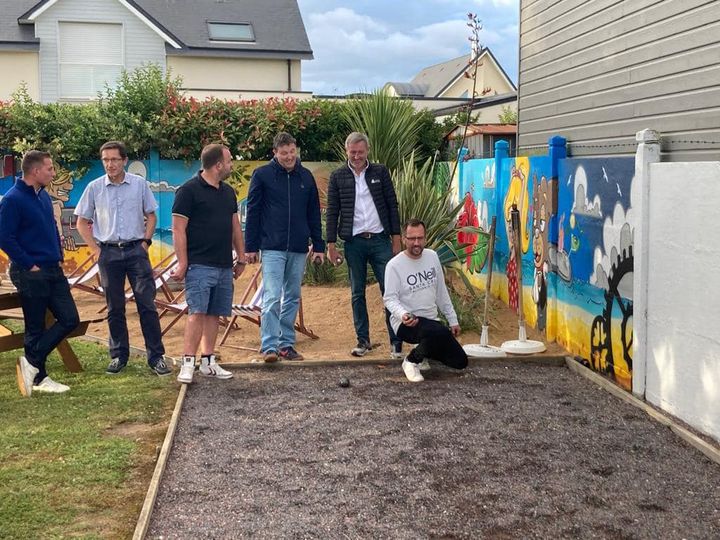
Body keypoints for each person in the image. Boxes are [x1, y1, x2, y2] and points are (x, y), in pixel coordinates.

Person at [75, 141, 171, 376]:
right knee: (114, 307)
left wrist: (145, 242)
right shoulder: (94, 187)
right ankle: (118, 356)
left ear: (124, 160)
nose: (110, 164)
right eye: (106, 160)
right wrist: (96, 249)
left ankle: (156, 357)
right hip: (108, 253)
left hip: (136, 251)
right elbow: (81, 222)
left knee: (147, 304)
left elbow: (151, 216)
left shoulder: (139, 185)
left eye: (115, 159)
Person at [0, 150, 80, 396]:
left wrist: (59, 255)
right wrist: (29, 264)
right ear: (35, 171)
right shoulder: (12, 200)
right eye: (49, 168)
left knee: (70, 319)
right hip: (30, 272)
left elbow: (52, 228)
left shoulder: (43, 196)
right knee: (35, 326)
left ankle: (31, 362)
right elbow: (4, 237)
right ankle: (40, 378)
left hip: (53, 268)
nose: (53, 173)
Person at [244, 132, 324, 362]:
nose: (289, 157)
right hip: (272, 247)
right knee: (271, 296)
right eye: (284, 153)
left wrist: (318, 245)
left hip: (299, 247)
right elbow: (253, 211)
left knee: (292, 296)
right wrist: (250, 246)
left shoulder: (306, 177)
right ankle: (269, 346)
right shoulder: (262, 175)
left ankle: (286, 344)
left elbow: (313, 213)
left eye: (292, 152)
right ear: (275, 152)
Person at [171, 143, 246, 383]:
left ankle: (208, 361)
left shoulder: (228, 192)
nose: (232, 165)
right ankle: (187, 363)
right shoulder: (188, 191)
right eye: (229, 161)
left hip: (224, 265)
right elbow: (178, 229)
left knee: (215, 314)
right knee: (197, 313)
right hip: (199, 265)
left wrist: (241, 257)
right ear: (218, 165)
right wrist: (183, 262)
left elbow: (235, 226)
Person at [326, 132, 402, 358]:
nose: (357, 156)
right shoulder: (338, 176)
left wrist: (396, 237)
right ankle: (363, 341)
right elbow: (332, 211)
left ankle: (396, 342)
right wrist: (331, 244)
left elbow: (392, 204)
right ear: (346, 151)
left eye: (360, 152)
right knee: (357, 293)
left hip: (380, 240)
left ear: (367, 151)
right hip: (354, 242)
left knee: (389, 291)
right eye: (353, 152)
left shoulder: (380, 172)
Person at [383, 219, 468, 383]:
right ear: (404, 239)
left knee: (459, 362)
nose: (416, 243)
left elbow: (441, 291)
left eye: (420, 238)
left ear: (425, 238)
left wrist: (453, 320)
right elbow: (389, 299)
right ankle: (411, 361)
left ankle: (423, 350)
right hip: (406, 323)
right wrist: (403, 314)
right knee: (440, 332)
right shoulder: (394, 265)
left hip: (431, 322)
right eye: (412, 238)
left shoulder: (432, 256)